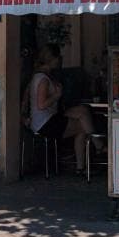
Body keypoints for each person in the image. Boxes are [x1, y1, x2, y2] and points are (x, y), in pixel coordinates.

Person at [26, 44, 95, 174]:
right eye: (58, 57)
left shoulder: (42, 76)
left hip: (49, 117)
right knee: (82, 126)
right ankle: (95, 149)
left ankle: (85, 163)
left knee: (83, 111)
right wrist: (57, 95)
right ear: (52, 59)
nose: (60, 60)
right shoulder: (43, 80)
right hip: (45, 123)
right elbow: (41, 105)